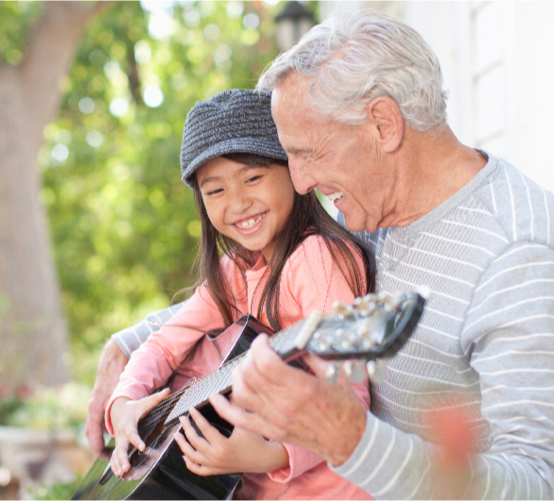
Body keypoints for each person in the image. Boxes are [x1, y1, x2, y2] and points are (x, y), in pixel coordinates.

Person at [87, 10, 554, 500]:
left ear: (383, 125)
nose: (302, 181)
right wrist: (127, 348)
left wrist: (353, 442)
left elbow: (549, 485)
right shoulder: (375, 213)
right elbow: (253, 288)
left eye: (309, 153)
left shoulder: (515, 255)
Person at [104, 89, 376, 500]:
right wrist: (124, 403)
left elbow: (347, 395)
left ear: (293, 171)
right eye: (216, 191)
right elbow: (163, 344)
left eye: (252, 178)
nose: (238, 203)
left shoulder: (317, 261)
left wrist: (270, 454)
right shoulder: (236, 271)